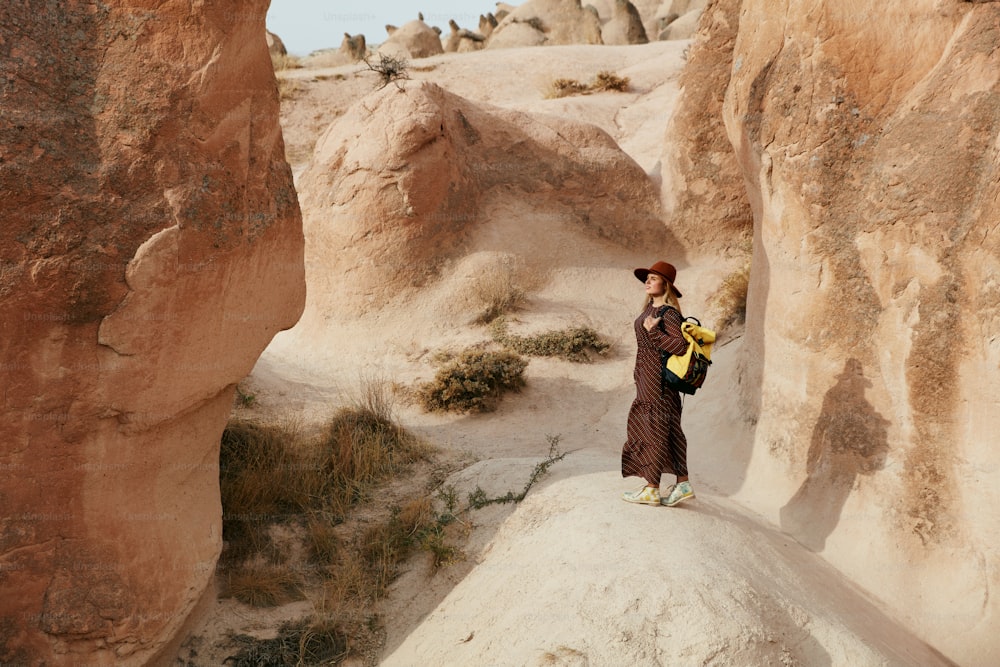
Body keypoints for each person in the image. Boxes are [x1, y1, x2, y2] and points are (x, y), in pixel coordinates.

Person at [621, 261, 695, 507]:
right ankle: (682, 484)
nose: (648, 281)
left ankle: (652, 488)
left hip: (658, 383)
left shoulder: (669, 313)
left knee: (652, 429)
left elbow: (681, 346)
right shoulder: (650, 310)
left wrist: (654, 332)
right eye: (647, 278)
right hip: (648, 379)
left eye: (654, 278)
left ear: (666, 284)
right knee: (670, 430)